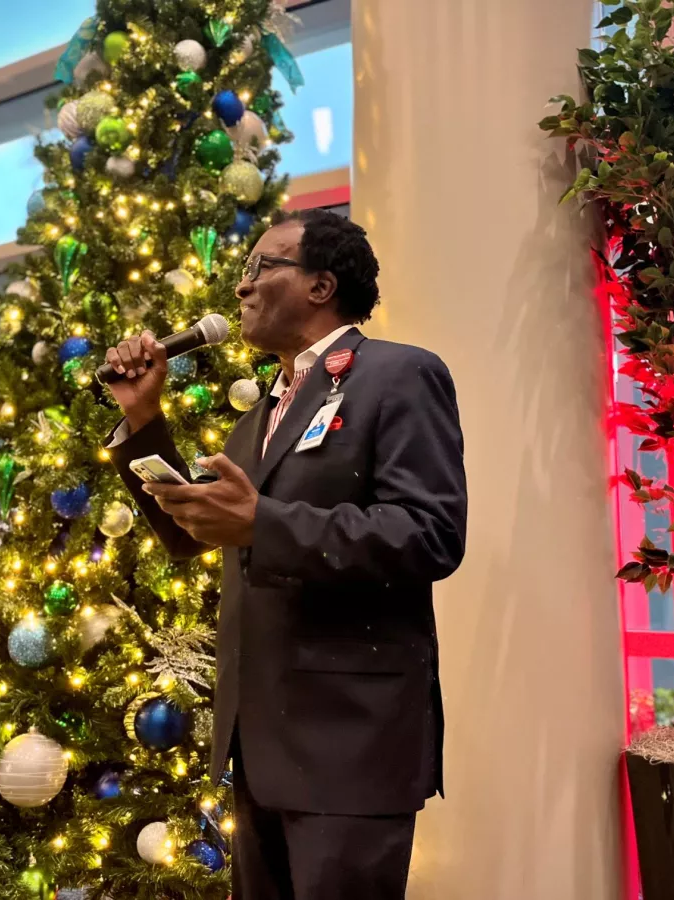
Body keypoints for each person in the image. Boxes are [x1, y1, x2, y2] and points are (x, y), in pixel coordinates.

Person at [103, 209, 467, 899]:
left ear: (321, 286)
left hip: (349, 745)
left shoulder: (398, 376)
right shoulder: (261, 415)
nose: (241, 288)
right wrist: (146, 420)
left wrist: (264, 522)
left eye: (260, 269)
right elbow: (193, 532)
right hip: (261, 744)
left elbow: (430, 532)